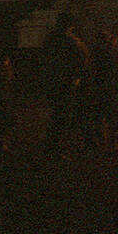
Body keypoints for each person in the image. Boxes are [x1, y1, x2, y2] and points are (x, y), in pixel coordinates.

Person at [41, 14, 87, 150]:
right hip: (66, 81)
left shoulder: (50, 39)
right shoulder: (70, 42)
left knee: (57, 112)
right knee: (63, 113)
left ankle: (52, 142)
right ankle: (56, 145)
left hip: (53, 80)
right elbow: (81, 59)